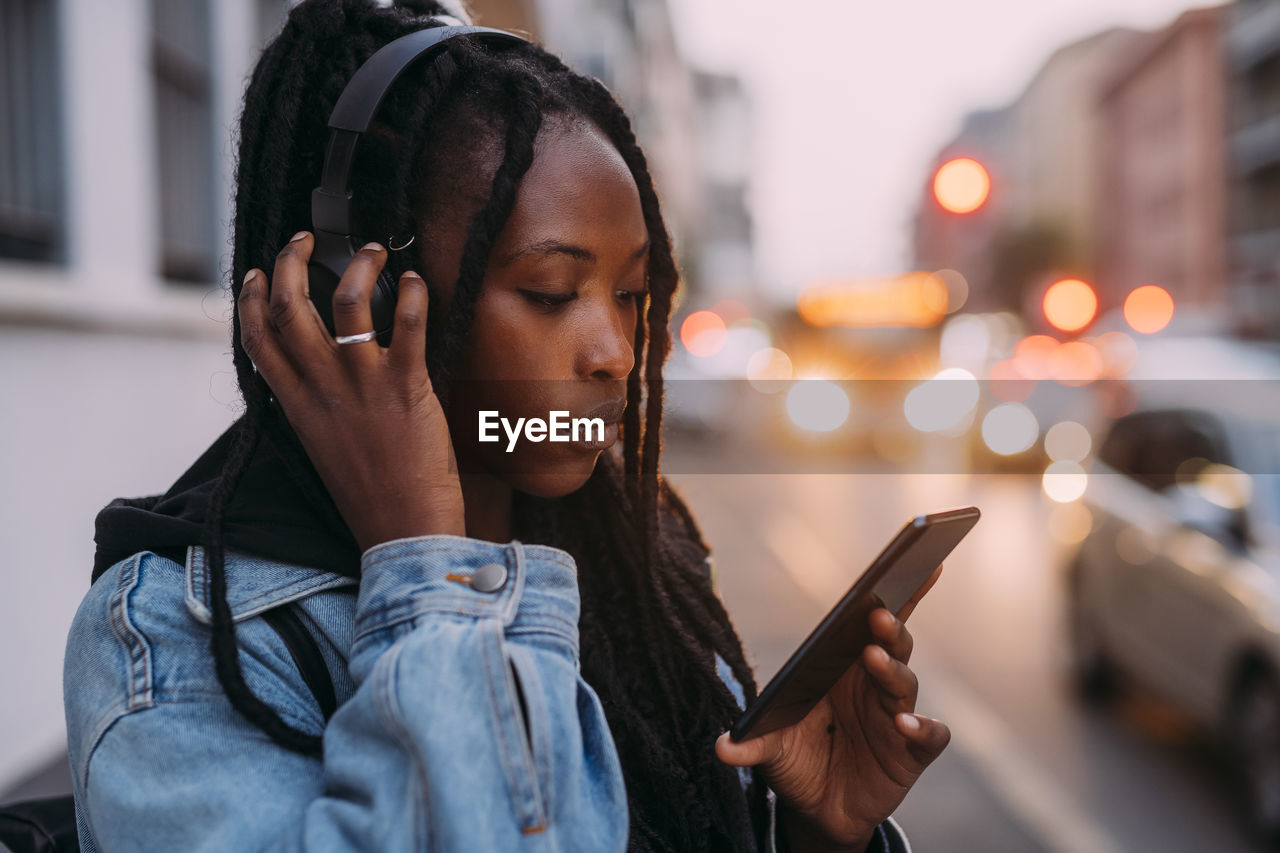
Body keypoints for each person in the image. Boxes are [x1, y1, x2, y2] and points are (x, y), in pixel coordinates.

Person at [63, 1, 950, 850]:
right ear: (360, 297)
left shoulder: (638, 553)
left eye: (633, 296)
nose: (616, 351)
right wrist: (422, 566)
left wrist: (811, 836)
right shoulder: (178, 640)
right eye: (552, 293)